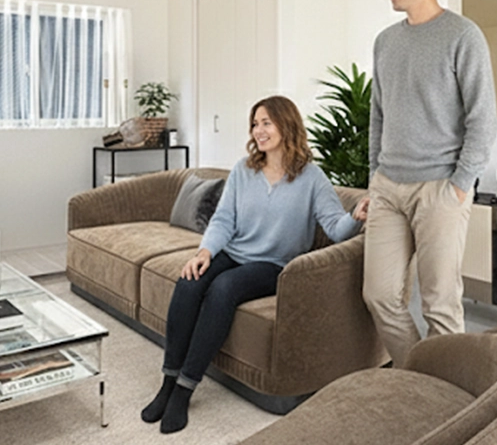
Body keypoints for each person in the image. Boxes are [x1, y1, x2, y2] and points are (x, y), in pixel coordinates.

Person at [141, 94, 370, 434]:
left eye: (266, 123)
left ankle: (185, 390)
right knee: (189, 281)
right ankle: (168, 382)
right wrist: (204, 252)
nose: (258, 131)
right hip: (233, 251)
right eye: (254, 124)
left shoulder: (312, 178)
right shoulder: (243, 170)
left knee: (224, 289)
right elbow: (223, 219)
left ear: (286, 125)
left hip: (273, 264)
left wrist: (356, 216)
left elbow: (336, 229)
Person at [364, 0, 497, 366]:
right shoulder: (385, 41)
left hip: (440, 187)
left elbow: (483, 119)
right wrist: (373, 178)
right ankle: (419, 376)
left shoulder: (463, 35)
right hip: (388, 188)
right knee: (379, 295)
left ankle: (449, 392)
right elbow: (378, 115)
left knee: (440, 304)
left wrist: (460, 185)